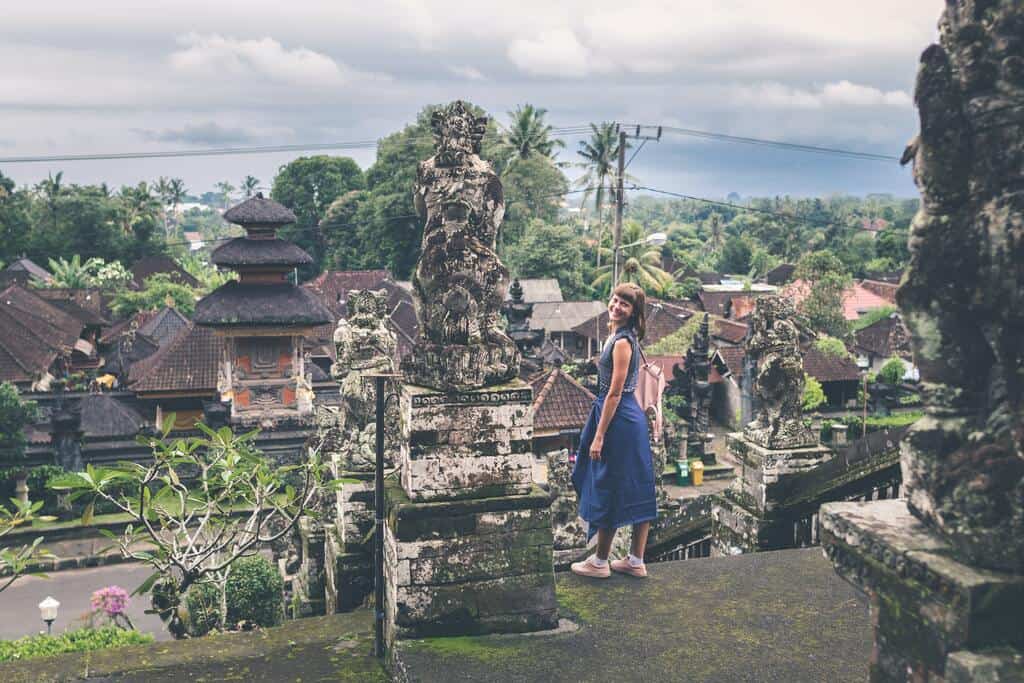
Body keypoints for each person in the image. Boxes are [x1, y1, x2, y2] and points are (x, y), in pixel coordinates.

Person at [570, 282, 658, 579]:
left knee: (609, 483)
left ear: (634, 313)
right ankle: (635, 560)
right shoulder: (621, 336)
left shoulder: (622, 342)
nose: (616, 306)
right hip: (626, 419)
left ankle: (599, 562)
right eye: (615, 299)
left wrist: (599, 435)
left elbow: (615, 392)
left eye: (625, 304)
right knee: (636, 483)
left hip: (618, 419)